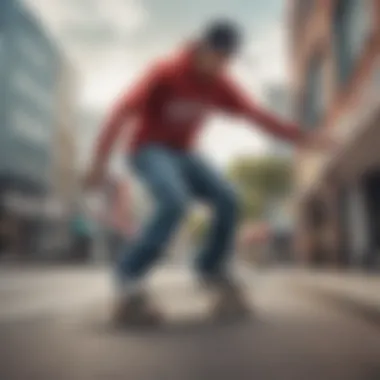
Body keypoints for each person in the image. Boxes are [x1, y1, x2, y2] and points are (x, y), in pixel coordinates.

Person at [85, 19, 332, 324]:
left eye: (227, 60)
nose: (220, 66)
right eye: (216, 57)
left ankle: (211, 270)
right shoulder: (165, 72)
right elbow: (121, 112)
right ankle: (128, 280)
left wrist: (303, 137)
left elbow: (258, 116)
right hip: (148, 149)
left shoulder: (221, 84)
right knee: (174, 202)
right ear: (202, 48)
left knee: (228, 197)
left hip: (185, 154)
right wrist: (99, 162)